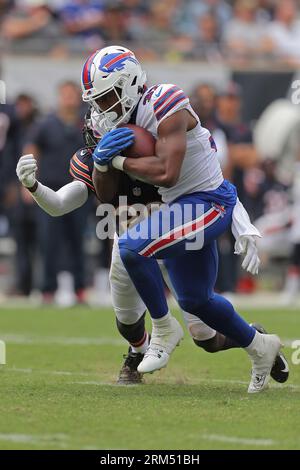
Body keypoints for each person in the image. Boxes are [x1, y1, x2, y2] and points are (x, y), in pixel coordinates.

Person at [16, 110, 288, 387]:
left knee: (206, 337)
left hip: (179, 242)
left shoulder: (164, 149)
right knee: (126, 320)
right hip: (129, 245)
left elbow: (213, 186)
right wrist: (34, 187)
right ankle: (138, 351)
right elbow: (61, 204)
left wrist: (241, 223)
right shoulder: (91, 161)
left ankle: (253, 338)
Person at [85, 45, 285, 393]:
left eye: (108, 97)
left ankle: (163, 329)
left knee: (133, 247)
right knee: (196, 302)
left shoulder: (164, 100)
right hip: (177, 210)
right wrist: (101, 164)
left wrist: (116, 162)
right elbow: (105, 194)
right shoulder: (113, 122)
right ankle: (260, 346)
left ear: (129, 82)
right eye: (98, 101)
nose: (103, 108)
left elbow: (167, 173)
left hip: (208, 203)